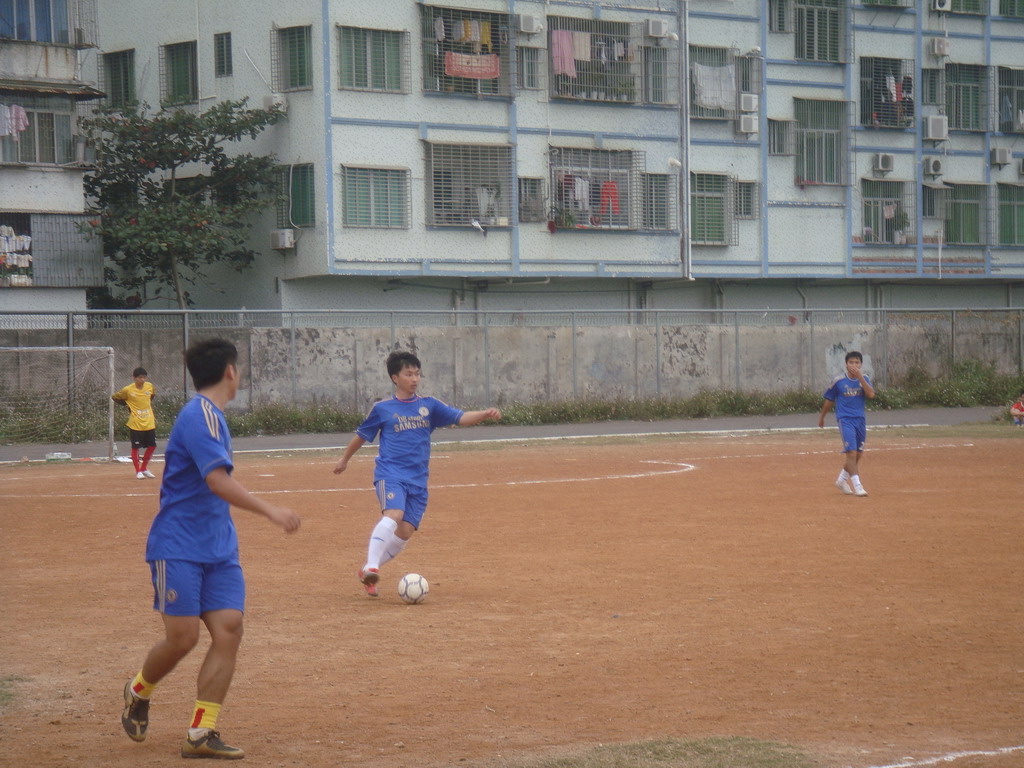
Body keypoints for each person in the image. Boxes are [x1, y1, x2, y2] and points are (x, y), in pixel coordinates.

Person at [120, 339, 301, 760]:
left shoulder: (213, 416)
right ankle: (138, 690)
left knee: (229, 629)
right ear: (230, 372)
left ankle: (201, 731)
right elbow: (217, 480)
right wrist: (270, 510)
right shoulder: (199, 415)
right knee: (183, 638)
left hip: (219, 548)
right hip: (178, 545)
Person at [333, 350, 501, 597]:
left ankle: (366, 571)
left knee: (404, 532)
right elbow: (362, 436)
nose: (414, 379)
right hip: (391, 473)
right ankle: (372, 566)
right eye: (408, 374)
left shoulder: (429, 405)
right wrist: (344, 459)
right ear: (395, 378)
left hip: (418, 480)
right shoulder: (383, 408)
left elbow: (461, 417)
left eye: (417, 374)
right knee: (394, 514)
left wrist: (484, 414)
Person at [818, 350, 876, 497]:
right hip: (845, 420)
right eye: (851, 362)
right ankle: (858, 486)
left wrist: (860, 377)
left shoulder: (864, 379)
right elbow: (829, 400)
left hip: (860, 419)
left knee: (858, 455)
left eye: (857, 362)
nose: (854, 365)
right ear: (846, 364)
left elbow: (871, 394)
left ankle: (841, 480)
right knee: (851, 453)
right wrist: (822, 417)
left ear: (861, 364)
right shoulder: (838, 381)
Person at [113, 367, 158, 479]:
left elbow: (152, 396)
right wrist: (127, 405)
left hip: (149, 421)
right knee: (135, 447)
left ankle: (144, 468)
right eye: (140, 377)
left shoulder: (150, 386)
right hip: (136, 423)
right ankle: (138, 471)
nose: (142, 380)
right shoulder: (127, 390)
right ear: (134, 378)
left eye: (144, 377)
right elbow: (115, 397)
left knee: (152, 446)